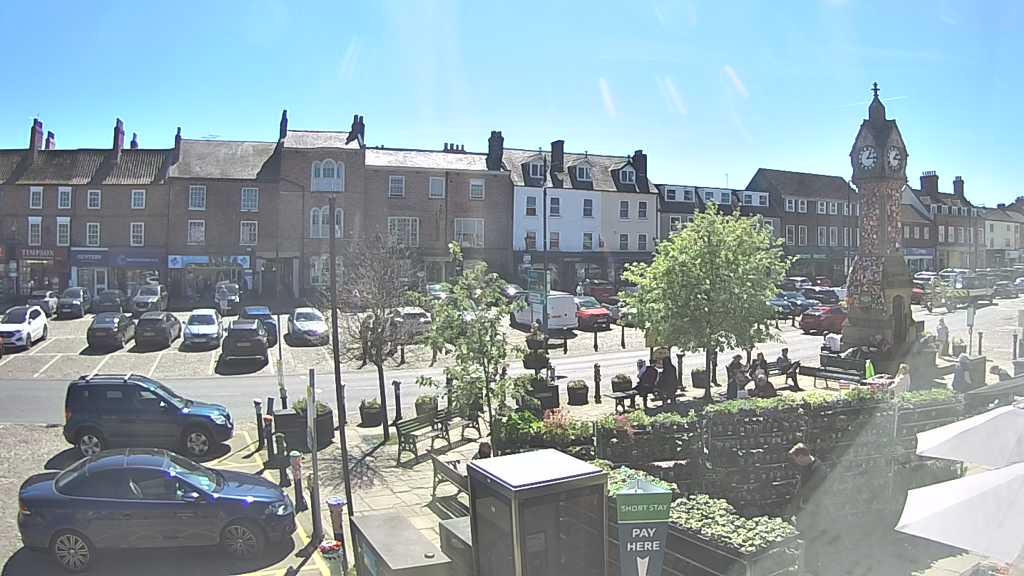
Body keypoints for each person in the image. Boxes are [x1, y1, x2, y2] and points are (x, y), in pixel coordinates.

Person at [788, 443, 831, 576]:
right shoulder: (806, 467)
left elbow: (813, 492)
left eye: (797, 460)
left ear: (802, 456)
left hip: (816, 511)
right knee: (805, 539)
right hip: (806, 509)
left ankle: (812, 568)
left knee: (812, 540)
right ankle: (805, 565)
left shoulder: (819, 470)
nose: (797, 463)